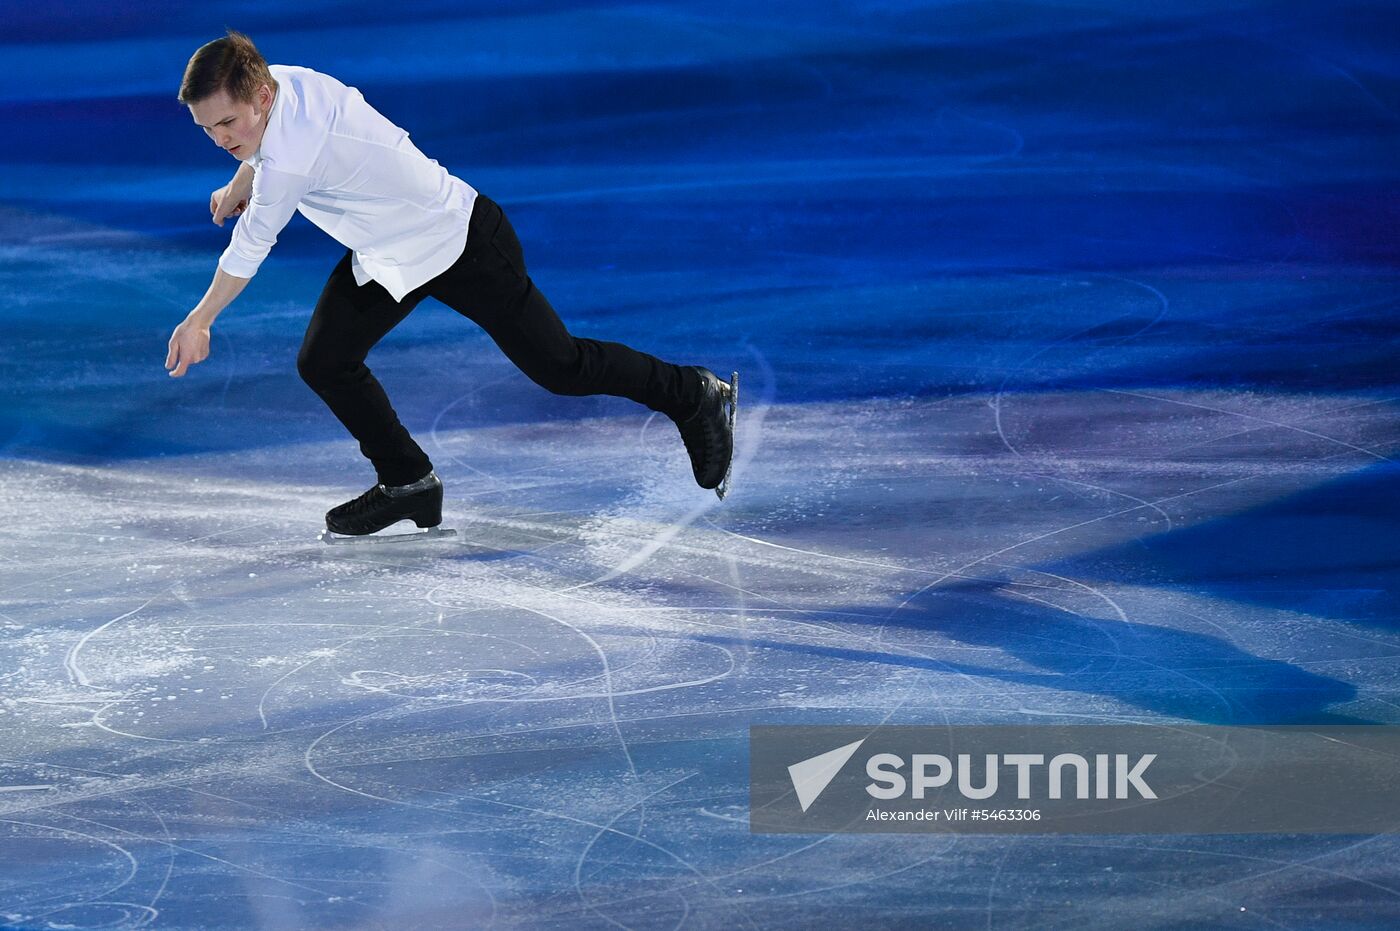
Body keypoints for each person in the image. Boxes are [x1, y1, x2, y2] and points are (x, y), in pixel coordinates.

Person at [165, 30, 737, 537]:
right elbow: (267, 146)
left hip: (460, 241)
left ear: (260, 97)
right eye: (206, 127)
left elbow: (251, 245)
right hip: (389, 254)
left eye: (227, 124)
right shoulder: (279, 82)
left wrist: (200, 320)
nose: (219, 138)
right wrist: (245, 174)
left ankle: (694, 393)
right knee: (325, 361)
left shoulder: (288, 154)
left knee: (562, 367)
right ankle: (408, 481)